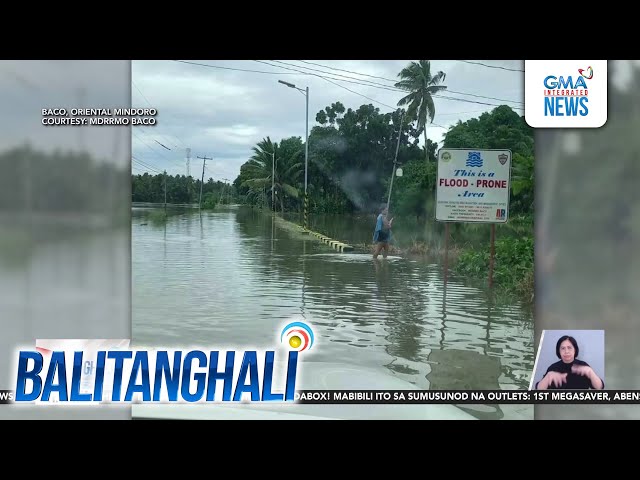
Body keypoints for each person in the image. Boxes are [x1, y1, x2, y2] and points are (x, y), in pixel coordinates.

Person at [535, 335, 604, 390]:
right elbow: (539, 390)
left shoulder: (584, 366)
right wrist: (548, 376)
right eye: (563, 348)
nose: (566, 351)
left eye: (569, 348)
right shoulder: (553, 368)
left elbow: (599, 388)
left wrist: (590, 372)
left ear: (575, 350)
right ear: (558, 351)